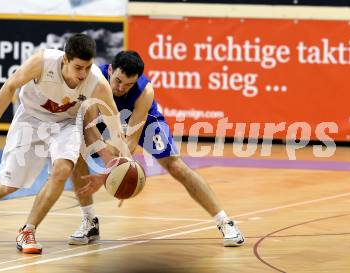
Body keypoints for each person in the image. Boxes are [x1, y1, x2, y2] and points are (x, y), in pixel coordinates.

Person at [0, 33, 127, 254]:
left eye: (88, 67)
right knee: (10, 184)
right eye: (78, 68)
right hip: (31, 119)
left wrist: (124, 166)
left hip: (66, 124)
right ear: (65, 59)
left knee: (62, 169)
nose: (83, 74)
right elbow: (10, 86)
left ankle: (28, 230)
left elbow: (116, 128)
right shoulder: (42, 62)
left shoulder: (97, 83)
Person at [69, 51, 245, 247]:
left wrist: (117, 173)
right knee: (77, 153)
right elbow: (90, 132)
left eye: (128, 85)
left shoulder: (145, 92)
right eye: (118, 81)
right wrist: (108, 168)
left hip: (141, 119)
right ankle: (89, 221)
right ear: (110, 70)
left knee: (175, 165)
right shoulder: (94, 81)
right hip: (104, 115)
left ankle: (225, 222)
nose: (121, 88)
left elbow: (129, 143)